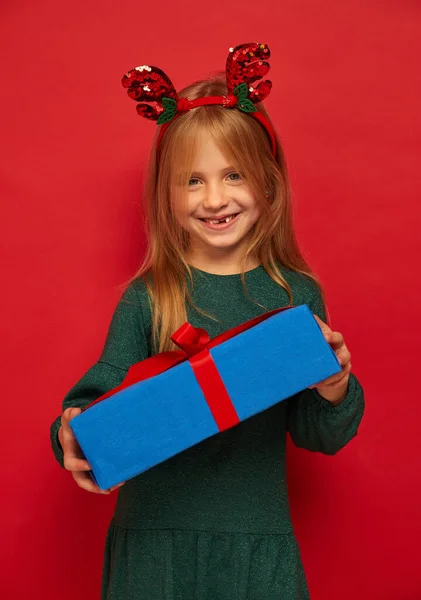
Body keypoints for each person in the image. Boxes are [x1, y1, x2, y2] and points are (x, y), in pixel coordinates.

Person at [50, 42, 364, 600]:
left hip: (255, 544)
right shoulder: (150, 297)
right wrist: (70, 433)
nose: (214, 198)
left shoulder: (294, 295)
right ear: (167, 196)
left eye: (233, 175)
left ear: (268, 182)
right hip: (153, 549)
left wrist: (335, 386)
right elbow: (95, 401)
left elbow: (318, 433)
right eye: (192, 180)